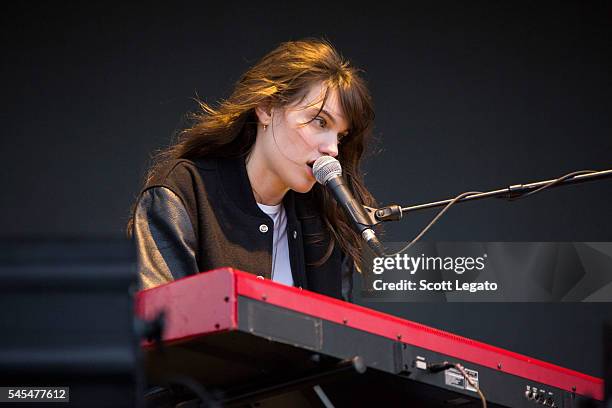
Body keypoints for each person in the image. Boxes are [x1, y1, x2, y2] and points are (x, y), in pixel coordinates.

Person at [127, 38, 377, 302]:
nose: (332, 149)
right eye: (319, 122)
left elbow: (339, 336)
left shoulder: (328, 221)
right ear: (266, 109)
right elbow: (162, 323)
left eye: (340, 136)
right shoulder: (183, 192)